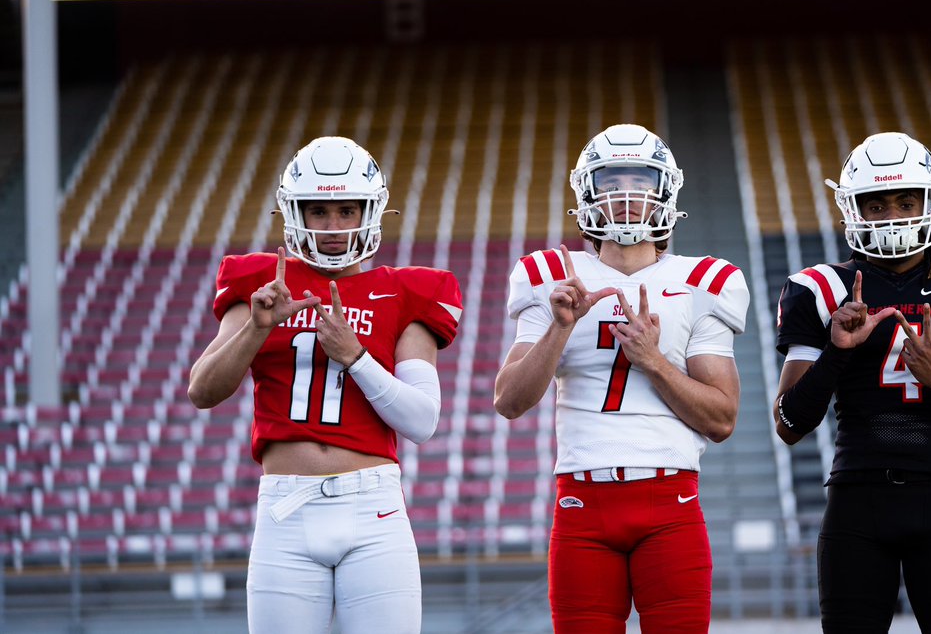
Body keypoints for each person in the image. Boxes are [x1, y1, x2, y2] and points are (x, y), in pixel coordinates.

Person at [187, 136, 462, 634]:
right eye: (318, 211)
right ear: (295, 213)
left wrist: (356, 357)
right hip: (284, 508)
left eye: (346, 210)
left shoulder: (406, 291)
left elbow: (422, 421)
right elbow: (202, 391)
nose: (334, 227)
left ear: (370, 212)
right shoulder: (262, 283)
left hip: (373, 510)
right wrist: (256, 329)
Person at [494, 124, 748, 633]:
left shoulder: (703, 281)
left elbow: (721, 420)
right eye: (611, 182)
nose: (627, 196)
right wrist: (560, 328)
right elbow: (509, 400)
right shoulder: (553, 275)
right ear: (587, 192)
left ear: (665, 192)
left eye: (640, 182)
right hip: (581, 501)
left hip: (671, 500)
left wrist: (654, 361)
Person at [774, 132, 931, 633]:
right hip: (856, 505)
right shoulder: (819, 288)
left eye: (907, 202)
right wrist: (838, 353)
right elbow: (789, 423)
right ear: (854, 210)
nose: (893, 216)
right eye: (877, 204)